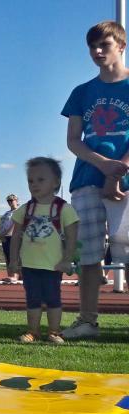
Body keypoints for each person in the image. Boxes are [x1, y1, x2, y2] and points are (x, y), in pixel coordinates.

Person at [60, 20, 129, 340]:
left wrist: (119, 171)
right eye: (93, 47)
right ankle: (87, 320)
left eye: (105, 45)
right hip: (87, 178)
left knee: (126, 248)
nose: (98, 51)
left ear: (121, 47)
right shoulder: (82, 92)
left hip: (125, 181)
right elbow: (74, 140)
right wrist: (104, 166)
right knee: (89, 253)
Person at [8, 157, 79, 343]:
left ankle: (54, 332)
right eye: (31, 180)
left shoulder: (64, 209)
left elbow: (72, 237)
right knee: (33, 299)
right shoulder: (26, 209)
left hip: (53, 266)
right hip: (29, 266)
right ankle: (33, 332)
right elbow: (15, 236)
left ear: (56, 182)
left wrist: (67, 259)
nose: (34, 184)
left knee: (53, 299)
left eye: (41, 180)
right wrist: (13, 260)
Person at [0, 194, 21, 282]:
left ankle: (15, 275)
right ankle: (10, 275)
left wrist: (6, 233)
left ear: (16, 200)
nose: (10, 202)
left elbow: (16, 224)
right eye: (8, 201)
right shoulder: (6, 213)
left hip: (14, 236)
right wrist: (1, 235)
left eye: (12, 200)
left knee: (14, 257)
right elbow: (2, 225)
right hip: (5, 237)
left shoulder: (19, 211)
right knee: (7, 256)